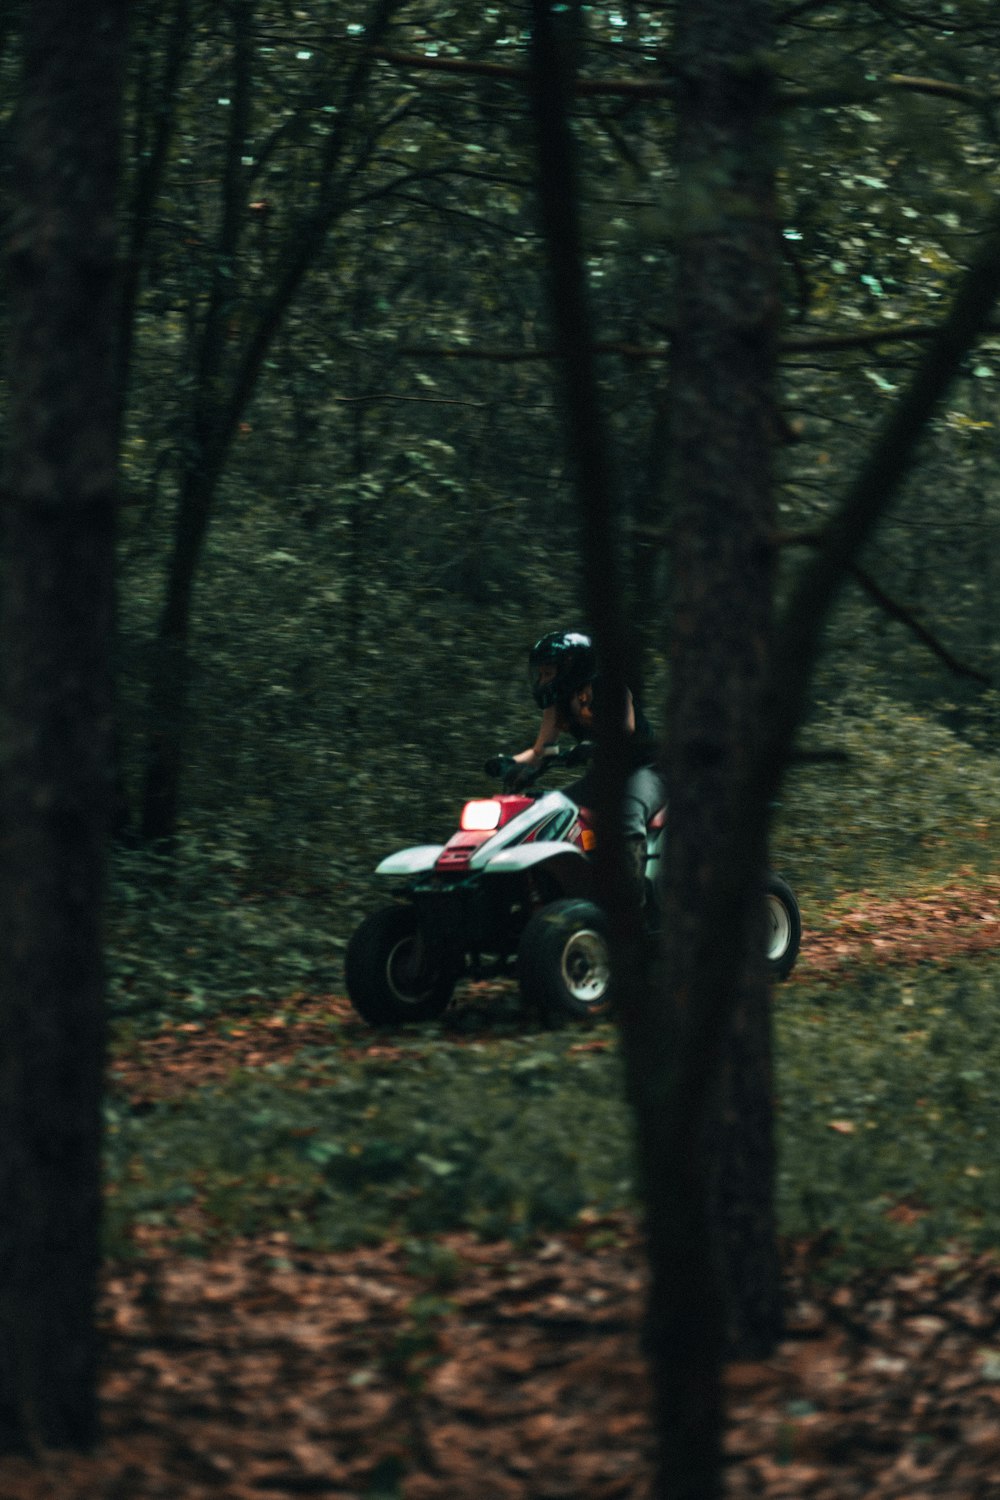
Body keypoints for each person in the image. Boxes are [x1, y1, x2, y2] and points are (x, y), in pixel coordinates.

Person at [511, 629, 665, 897]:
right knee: (547, 811)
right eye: (541, 673)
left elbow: (624, 732)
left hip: (646, 770)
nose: (542, 680)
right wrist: (509, 763)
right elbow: (540, 751)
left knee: (627, 813)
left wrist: (590, 748)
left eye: (548, 673)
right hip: (605, 775)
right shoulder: (557, 704)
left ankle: (631, 898)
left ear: (571, 668)